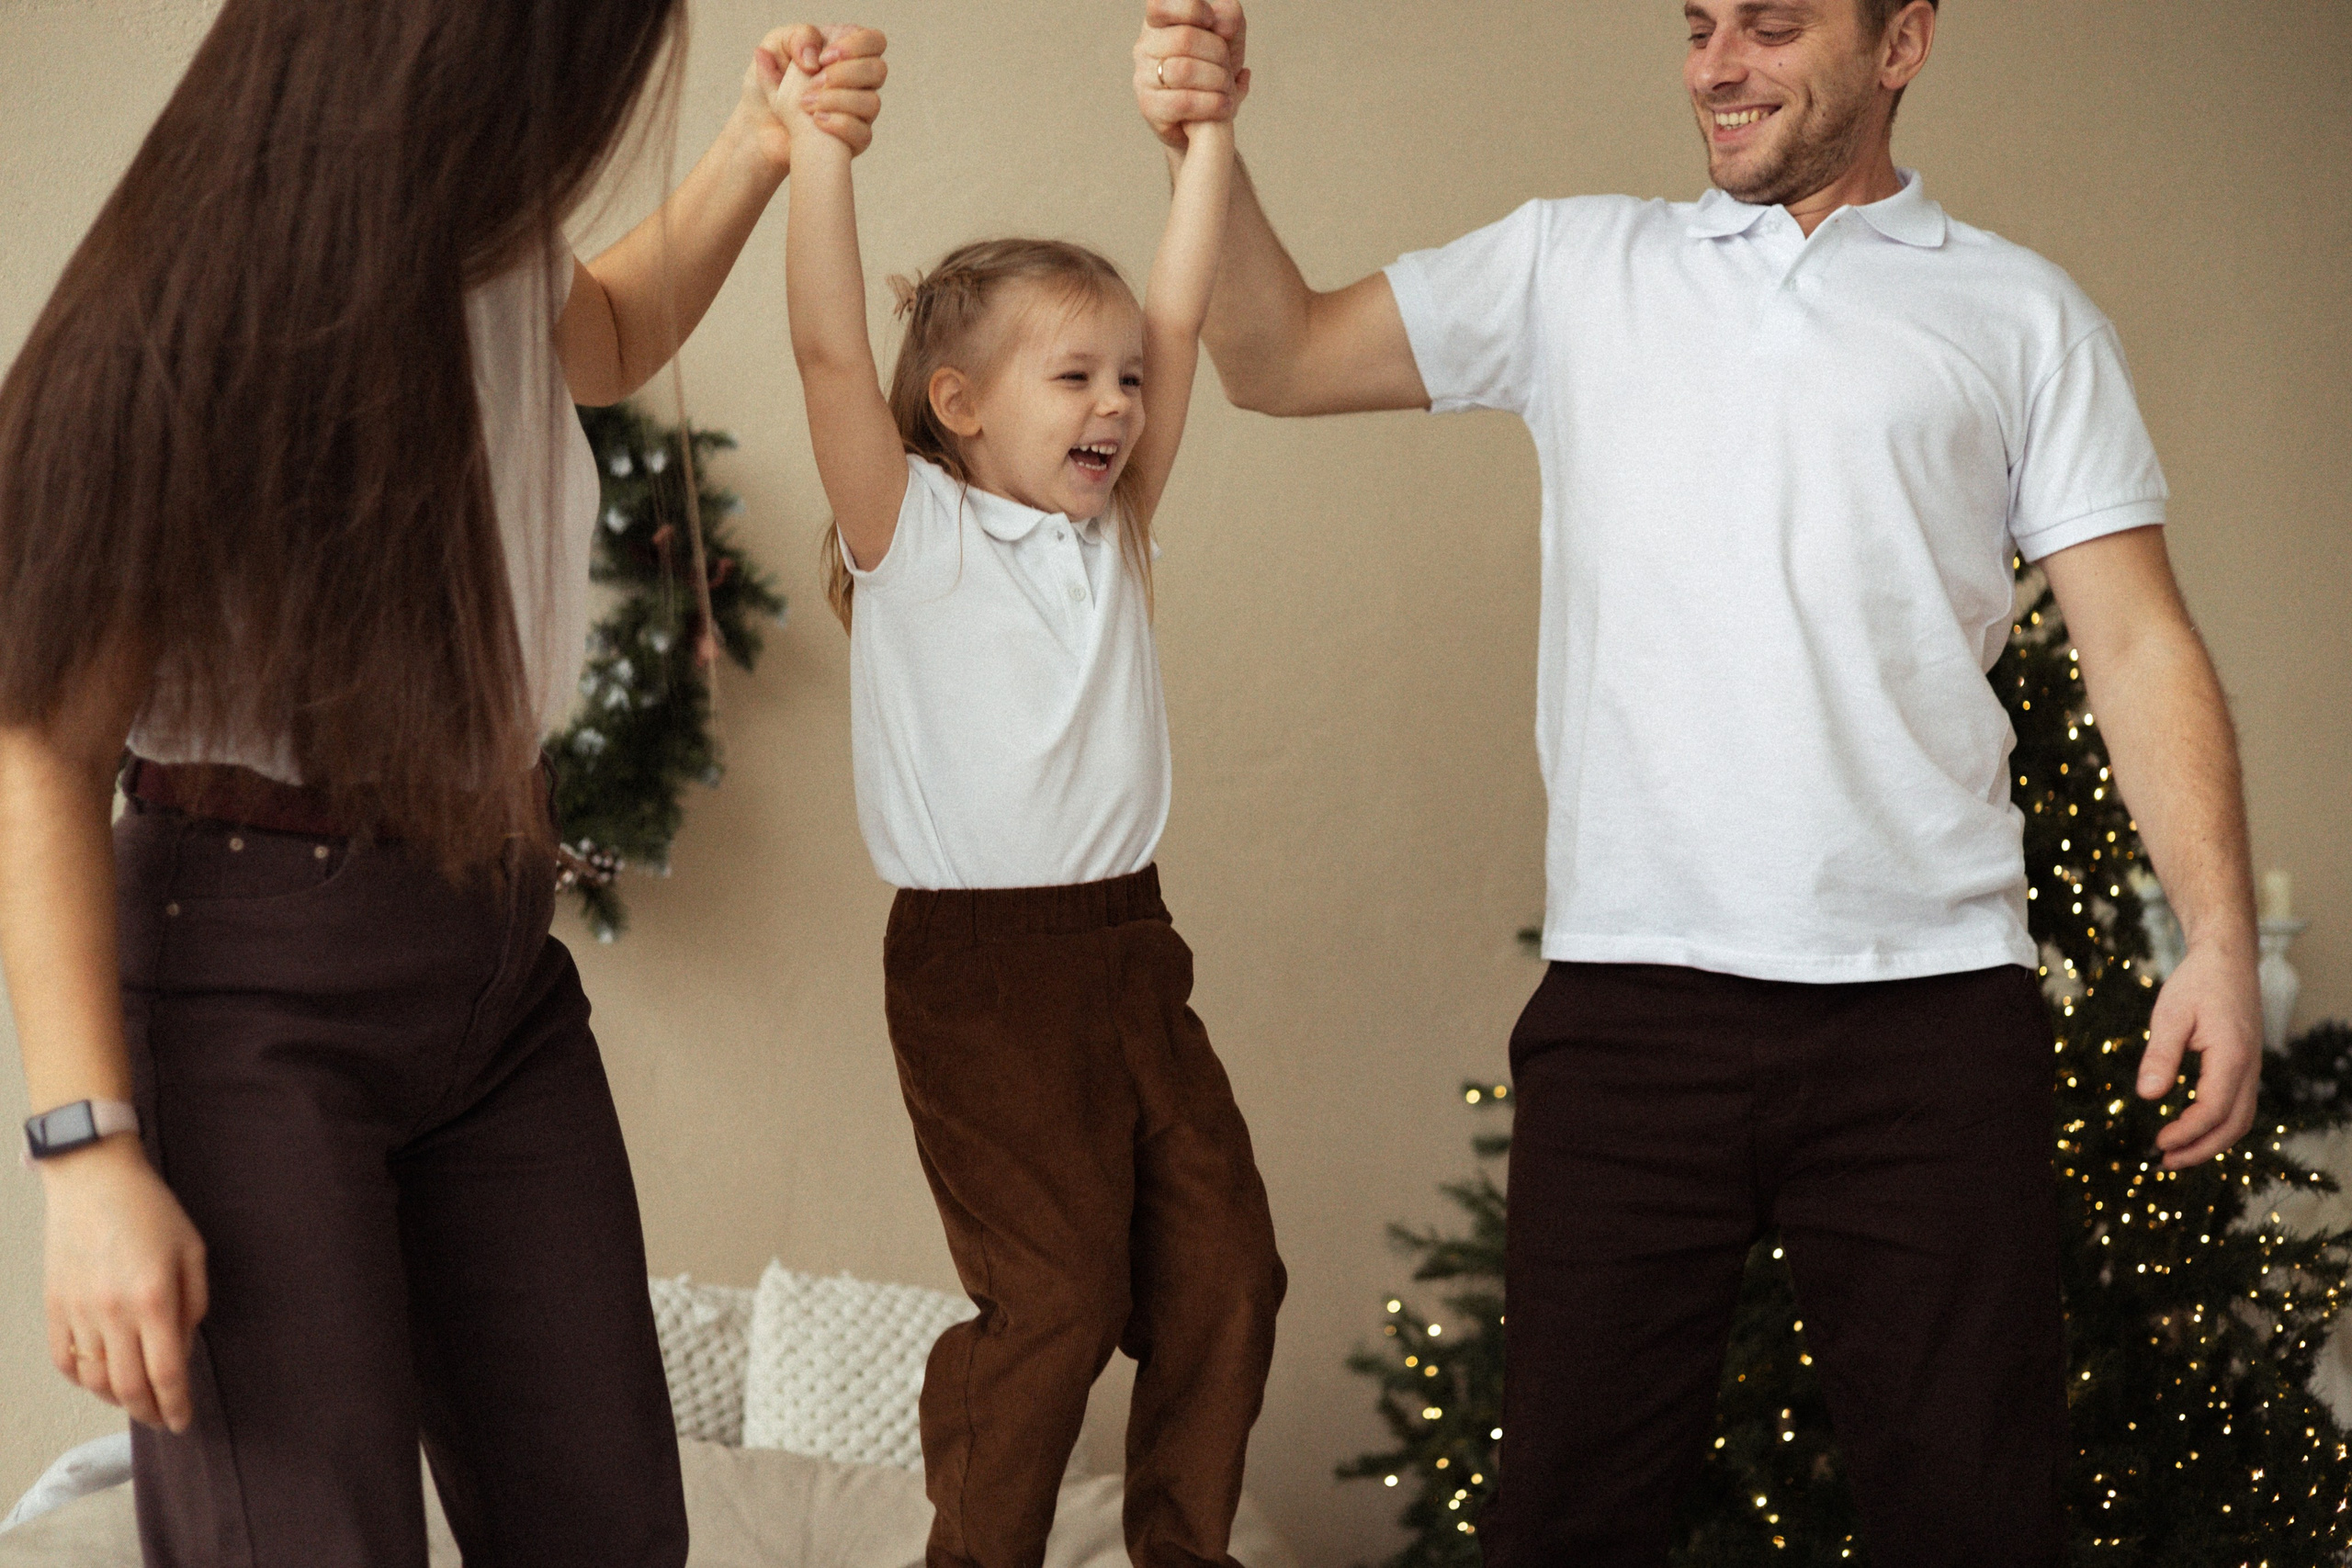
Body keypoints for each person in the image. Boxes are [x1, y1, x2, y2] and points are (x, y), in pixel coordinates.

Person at [1134, 1, 2263, 1563]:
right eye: (1699, 26)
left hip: (1928, 1014)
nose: (1717, 65)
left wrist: (2211, 941)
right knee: (1570, 1528)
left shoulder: (2023, 314)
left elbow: (2137, 645)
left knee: (1975, 1524)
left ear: (1903, 43)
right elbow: (1274, 354)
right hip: (1632, 1013)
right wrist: (1210, 141)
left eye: (1774, 25)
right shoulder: (1574, 266)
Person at [0, 6, 886, 1565]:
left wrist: (753, 146)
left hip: (492, 961)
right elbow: (42, 748)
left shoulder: (480, 236)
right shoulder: (190, 306)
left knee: (606, 1526)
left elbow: (601, 330)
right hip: (248, 990)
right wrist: (90, 1155)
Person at [779, 44, 1285, 1568]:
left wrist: (1203, 139)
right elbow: (820, 357)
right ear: (958, 403)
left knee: (1228, 1274)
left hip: (1134, 948)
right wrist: (819, 152)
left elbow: (1183, 312)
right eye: (1075, 377)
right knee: (1059, 1300)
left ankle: (1178, 1551)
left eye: (1124, 381)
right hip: (980, 975)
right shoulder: (911, 533)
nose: (1119, 404)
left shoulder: (1110, 532)